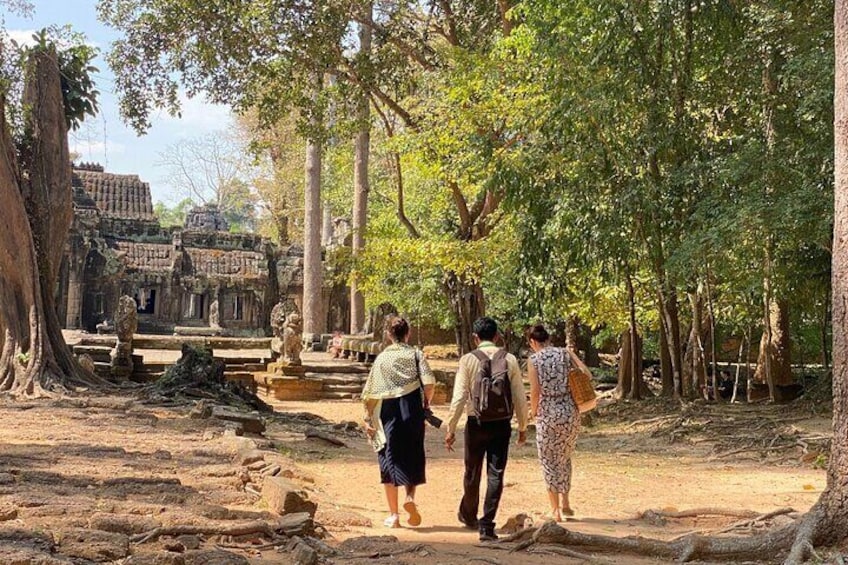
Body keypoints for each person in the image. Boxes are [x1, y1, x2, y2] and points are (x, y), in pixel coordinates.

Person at [444, 317, 528, 541]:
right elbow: (520, 395)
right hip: (501, 423)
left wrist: (451, 428)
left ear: (475, 337)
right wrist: (523, 426)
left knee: (472, 472)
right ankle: (487, 525)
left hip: (476, 422)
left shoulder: (468, 360)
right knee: (496, 474)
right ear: (497, 336)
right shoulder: (509, 359)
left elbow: (460, 396)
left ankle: (469, 516)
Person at [361, 316, 435, 529]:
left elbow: (370, 393)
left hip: (387, 411)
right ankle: (410, 497)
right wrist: (425, 403)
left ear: (388, 335)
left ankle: (394, 515)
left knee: (388, 456)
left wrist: (367, 418)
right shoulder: (415, 354)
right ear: (408, 333)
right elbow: (429, 383)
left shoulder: (382, 358)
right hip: (411, 408)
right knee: (412, 453)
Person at [526, 323, 583, 521]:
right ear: (548, 339)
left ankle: (555, 510)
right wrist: (571, 355)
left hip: (548, 413)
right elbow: (586, 374)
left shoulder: (534, 360)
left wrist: (533, 413)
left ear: (533, 342)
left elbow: (535, 390)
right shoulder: (565, 354)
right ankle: (566, 503)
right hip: (570, 412)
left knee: (549, 461)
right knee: (564, 457)